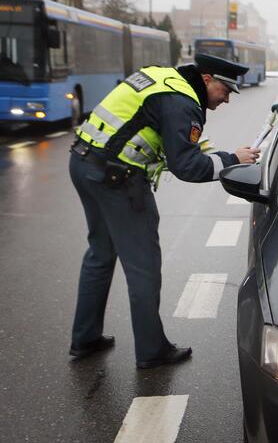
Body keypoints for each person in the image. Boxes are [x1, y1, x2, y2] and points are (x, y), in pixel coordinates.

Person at [68, 54, 261, 368]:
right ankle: (151, 349)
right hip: (119, 178)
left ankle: (85, 337)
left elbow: (176, 137)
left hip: (83, 163)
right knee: (143, 265)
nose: (226, 99)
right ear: (207, 78)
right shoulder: (183, 102)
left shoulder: (164, 77)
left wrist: (225, 154)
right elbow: (185, 165)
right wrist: (231, 160)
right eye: (225, 90)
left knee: (100, 254)